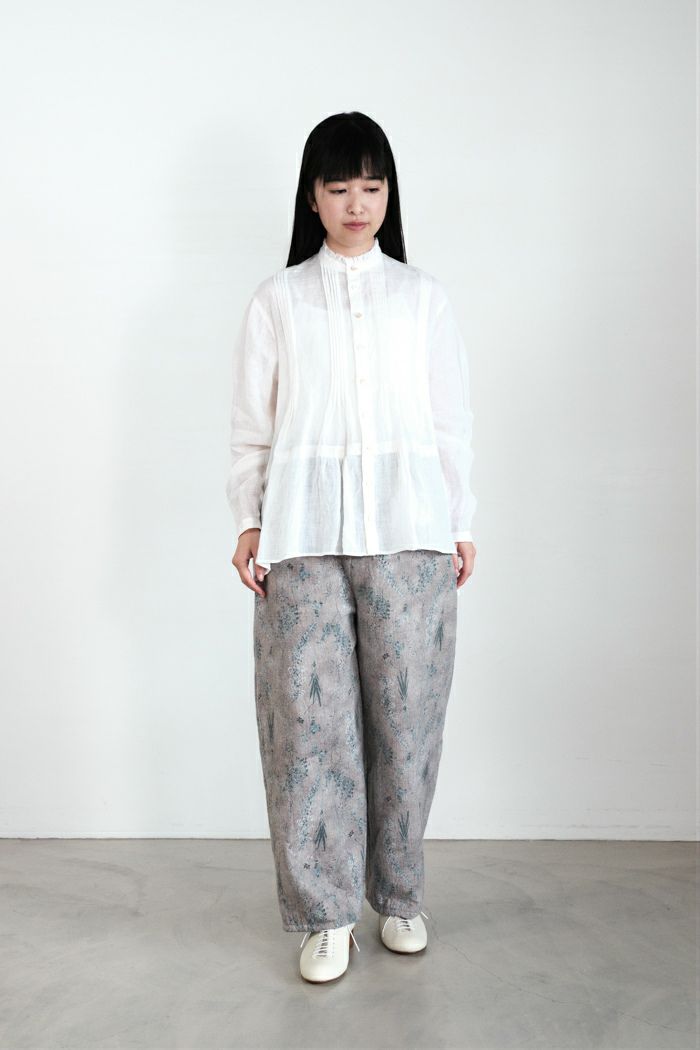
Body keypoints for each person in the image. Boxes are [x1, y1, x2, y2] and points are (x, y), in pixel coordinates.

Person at [226, 111, 477, 983]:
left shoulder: (422, 297)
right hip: (302, 535)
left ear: (389, 194)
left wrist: (460, 521)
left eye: (372, 186)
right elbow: (252, 426)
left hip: (410, 532)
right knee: (309, 726)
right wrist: (249, 518)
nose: (357, 203)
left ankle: (400, 895)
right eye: (339, 187)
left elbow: (450, 421)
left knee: (408, 721)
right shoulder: (278, 299)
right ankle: (326, 914)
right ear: (312, 197)